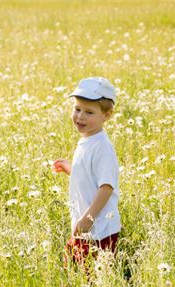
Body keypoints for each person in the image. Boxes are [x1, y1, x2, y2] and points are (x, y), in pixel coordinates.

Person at [53, 77, 121, 275]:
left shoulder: (102, 147)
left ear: (106, 116)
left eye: (89, 112)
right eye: (77, 109)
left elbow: (106, 187)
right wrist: (71, 169)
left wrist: (88, 218)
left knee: (93, 277)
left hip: (98, 231)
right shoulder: (88, 140)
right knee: (70, 270)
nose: (80, 117)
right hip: (83, 226)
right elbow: (91, 176)